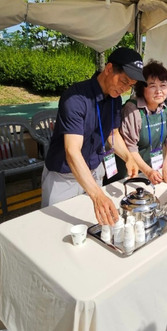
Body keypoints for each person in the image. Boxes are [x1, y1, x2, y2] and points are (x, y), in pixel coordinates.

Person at [41, 48, 143, 225]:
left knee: (92, 226)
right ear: (109, 69)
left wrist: (128, 157)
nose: (125, 89)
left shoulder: (115, 99)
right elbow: (72, 151)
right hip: (65, 177)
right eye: (124, 81)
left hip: (95, 173)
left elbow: (112, 133)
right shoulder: (75, 98)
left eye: (130, 85)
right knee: (56, 229)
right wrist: (97, 195)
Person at [120, 60, 167, 185]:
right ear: (142, 88)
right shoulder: (132, 109)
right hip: (131, 172)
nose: (159, 91)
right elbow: (130, 147)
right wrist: (148, 172)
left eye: (163, 85)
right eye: (152, 86)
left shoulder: (166, 105)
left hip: (154, 170)